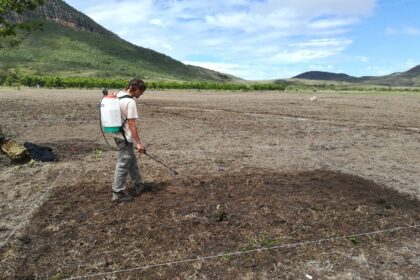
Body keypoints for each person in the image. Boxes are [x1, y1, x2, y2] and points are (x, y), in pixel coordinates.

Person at [111, 78, 147, 203]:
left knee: (131, 160)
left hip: (117, 134)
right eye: (140, 92)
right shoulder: (130, 102)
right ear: (134, 89)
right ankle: (117, 193)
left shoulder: (117, 95)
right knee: (123, 163)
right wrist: (138, 143)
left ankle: (139, 185)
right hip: (125, 137)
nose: (141, 95)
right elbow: (132, 124)